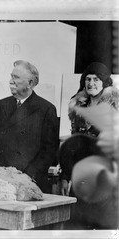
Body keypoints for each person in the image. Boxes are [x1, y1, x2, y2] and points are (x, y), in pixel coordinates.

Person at [0, 60, 59, 193]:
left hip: (28, 182)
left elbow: (49, 150)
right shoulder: (1, 105)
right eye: (11, 76)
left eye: (15, 77)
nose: (10, 81)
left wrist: (28, 177)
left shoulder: (46, 109)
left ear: (30, 83)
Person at [59, 62, 119, 229]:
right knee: (75, 228)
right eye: (88, 79)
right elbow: (74, 147)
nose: (91, 83)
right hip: (80, 180)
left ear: (105, 82)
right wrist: (65, 176)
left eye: (96, 79)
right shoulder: (78, 108)